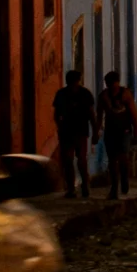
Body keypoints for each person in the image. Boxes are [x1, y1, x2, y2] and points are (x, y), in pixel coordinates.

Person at [52, 69, 97, 198]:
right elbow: (91, 115)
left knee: (78, 160)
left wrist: (94, 131)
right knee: (71, 160)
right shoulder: (80, 94)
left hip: (79, 132)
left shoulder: (76, 94)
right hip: (70, 132)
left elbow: (91, 115)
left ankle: (81, 187)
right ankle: (75, 188)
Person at [98, 70, 137, 200]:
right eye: (109, 84)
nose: (112, 86)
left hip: (124, 130)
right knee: (112, 160)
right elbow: (100, 115)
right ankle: (115, 187)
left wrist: (136, 131)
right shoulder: (103, 96)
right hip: (110, 130)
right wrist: (96, 131)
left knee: (122, 157)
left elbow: (133, 114)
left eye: (113, 83)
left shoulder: (125, 94)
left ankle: (124, 178)